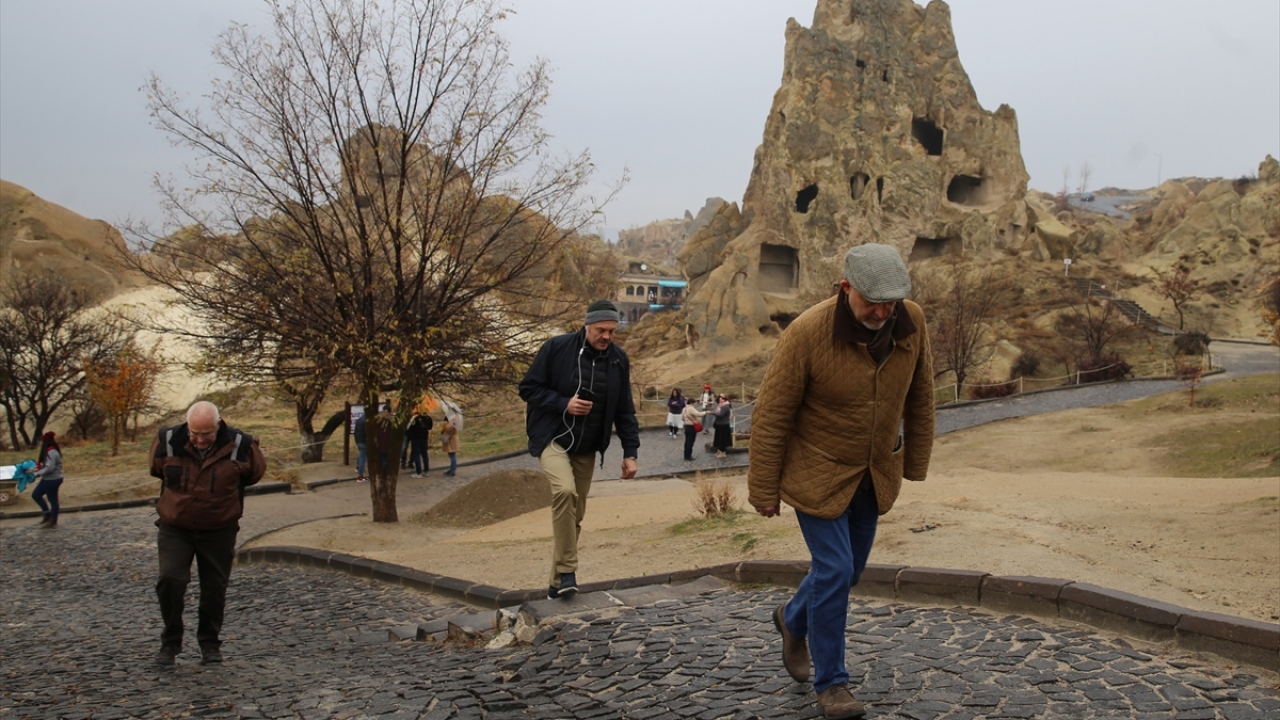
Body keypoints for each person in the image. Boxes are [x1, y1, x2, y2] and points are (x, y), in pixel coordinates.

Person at [748, 243, 934, 720]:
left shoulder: (910, 321)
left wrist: (915, 462)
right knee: (833, 571)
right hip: (816, 472)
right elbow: (771, 415)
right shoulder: (807, 333)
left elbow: (922, 395)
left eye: (890, 300)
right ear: (845, 287)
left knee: (847, 573)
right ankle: (833, 685)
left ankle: (791, 619)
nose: (882, 310)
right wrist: (764, 489)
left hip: (873, 472)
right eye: (872, 299)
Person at [519, 299, 640, 599]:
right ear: (587, 325)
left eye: (612, 331)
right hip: (552, 438)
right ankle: (569, 571)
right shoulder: (556, 348)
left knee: (575, 515)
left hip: (587, 448)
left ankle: (556, 583)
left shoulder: (618, 360)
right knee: (564, 492)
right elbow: (528, 388)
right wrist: (564, 404)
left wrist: (630, 452)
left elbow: (625, 409)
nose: (606, 337)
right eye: (601, 330)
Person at [150, 400, 266, 667]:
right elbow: (158, 470)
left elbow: (254, 474)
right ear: (187, 426)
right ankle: (170, 642)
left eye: (207, 434)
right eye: (194, 434)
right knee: (169, 580)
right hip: (175, 527)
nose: (200, 440)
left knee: (214, 588)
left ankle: (210, 643)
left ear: (219, 425)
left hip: (219, 530)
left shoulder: (242, 445)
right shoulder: (166, 440)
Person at [31, 431, 64, 528]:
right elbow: (43, 465)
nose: (40, 443)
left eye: (42, 441)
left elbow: (49, 468)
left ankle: (53, 520)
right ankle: (47, 513)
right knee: (36, 495)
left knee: (53, 500)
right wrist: (33, 469)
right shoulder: (48, 451)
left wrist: (37, 473)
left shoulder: (52, 452)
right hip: (47, 479)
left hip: (52, 479)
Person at [407, 413, 432, 478]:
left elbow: (409, 428)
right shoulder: (428, 417)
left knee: (416, 455)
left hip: (416, 438)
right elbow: (430, 427)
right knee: (425, 455)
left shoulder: (415, 418)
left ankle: (419, 472)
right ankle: (426, 471)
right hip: (424, 438)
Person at [711, 394, 733, 458]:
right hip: (719, 424)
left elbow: (721, 415)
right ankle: (719, 450)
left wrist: (713, 413)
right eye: (720, 398)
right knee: (718, 438)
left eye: (722, 399)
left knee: (722, 439)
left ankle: (722, 452)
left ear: (725, 400)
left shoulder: (725, 406)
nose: (720, 399)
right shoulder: (720, 406)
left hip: (723, 424)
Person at [353, 411, 368, 483]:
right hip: (364, 441)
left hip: (358, 440)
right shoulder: (367, 421)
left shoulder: (359, 420)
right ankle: (360, 476)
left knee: (361, 454)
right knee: (363, 458)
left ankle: (358, 467)